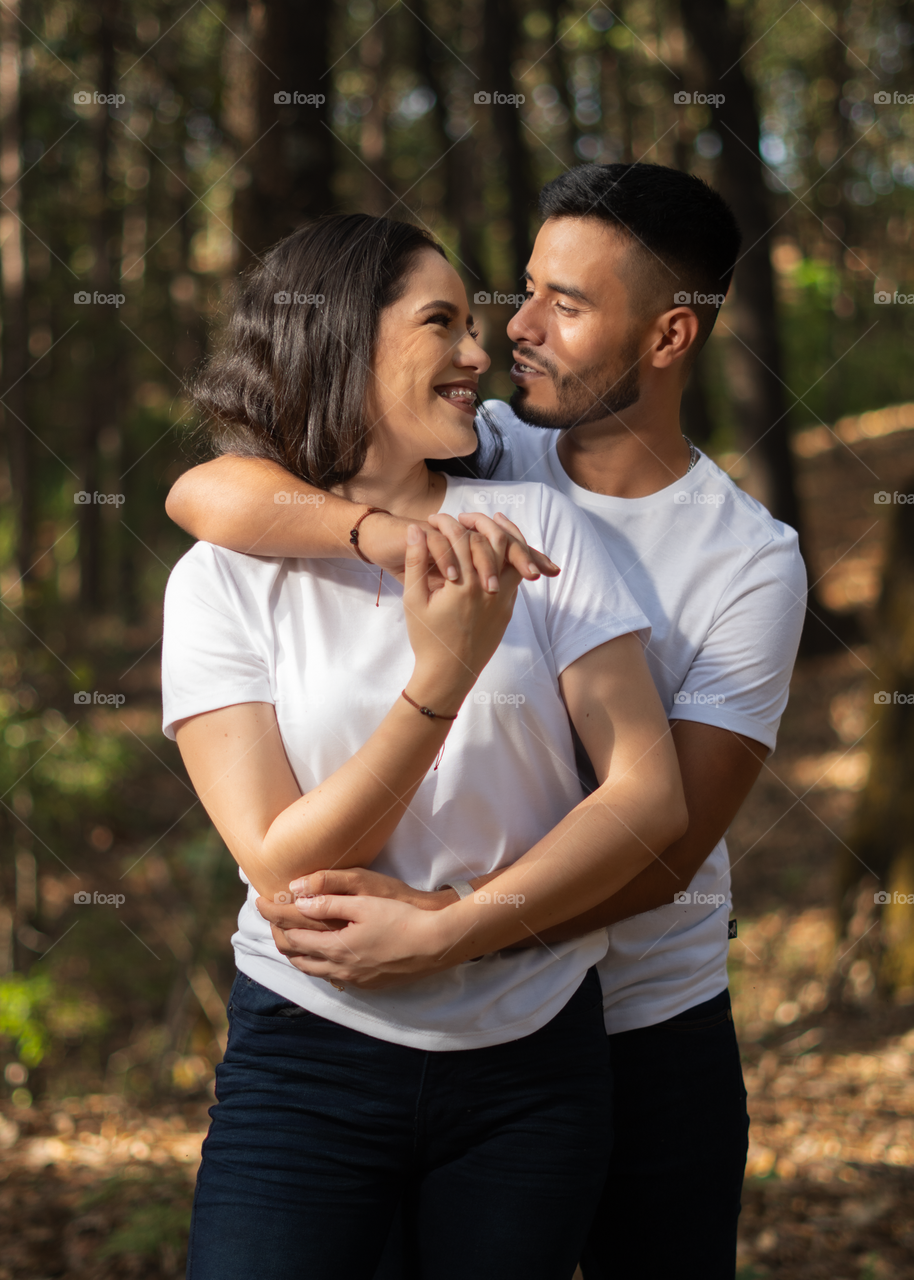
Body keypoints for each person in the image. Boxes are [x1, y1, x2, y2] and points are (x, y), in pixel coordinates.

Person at [168, 163, 808, 1279]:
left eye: (563, 305)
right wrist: (384, 538)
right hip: (395, 1018)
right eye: (518, 292)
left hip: (637, 1013)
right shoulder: (489, 454)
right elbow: (209, 494)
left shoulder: (747, 560)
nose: (512, 332)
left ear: (665, 338)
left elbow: (665, 844)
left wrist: (443, 932)